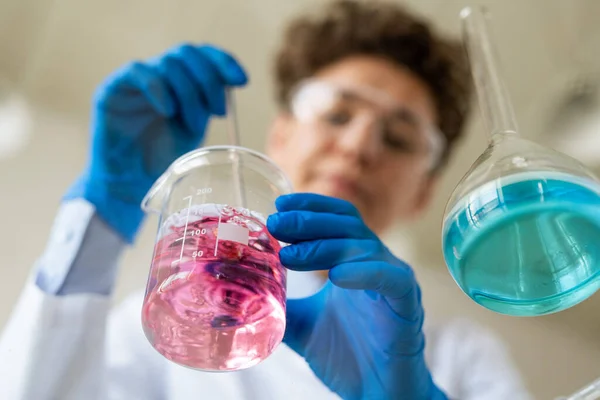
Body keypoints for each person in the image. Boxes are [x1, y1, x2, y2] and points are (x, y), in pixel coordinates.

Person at [0, 1, 532, 399]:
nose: (356, 147)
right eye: (336, 115)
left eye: (397, 138)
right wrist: (102, 217)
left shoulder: (460, 357)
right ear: (279, 137)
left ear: (423, 193)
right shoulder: (175, 317)